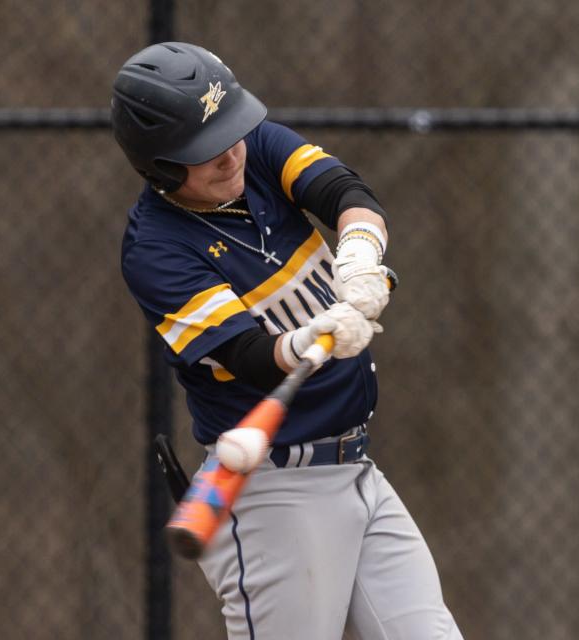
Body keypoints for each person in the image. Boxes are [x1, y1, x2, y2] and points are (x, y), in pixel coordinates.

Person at [112, 42, 462, 640]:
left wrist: (358, 255)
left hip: (357, 468)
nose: (230, 154)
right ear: (161, 167)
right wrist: (309, 339)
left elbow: (347, 195)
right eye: (206, 151)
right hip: (274, 495)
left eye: (232, 131)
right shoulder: (156, 250)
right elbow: (249, 359)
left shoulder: (257, 147)